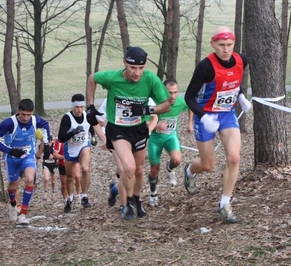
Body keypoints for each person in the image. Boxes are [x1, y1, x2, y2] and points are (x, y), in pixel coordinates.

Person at [86, 46, 172, 220]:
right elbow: (92, 78)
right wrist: (90, 106)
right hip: (117, 130)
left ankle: (136, 200)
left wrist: (148, 109)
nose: (137, 73)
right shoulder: (112, 77)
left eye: (141, 68)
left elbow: (167, 104)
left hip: (138, 129)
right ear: (124, 63)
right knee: (129, 167)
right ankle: (128, 201)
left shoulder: (150, 79)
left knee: (139, 171)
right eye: (133, 68)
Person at [184, 26, 253, 223]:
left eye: (229, 45)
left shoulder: (241, 60)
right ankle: (189, 171)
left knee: (233, 158)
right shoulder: (205, 66)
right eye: (221, 45)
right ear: (213, 44)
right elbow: (189, 97)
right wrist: (203, 117)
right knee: (208, 165)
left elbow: (232, 82)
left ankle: (224, 204)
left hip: (227, 114)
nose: (225, 49)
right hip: (205, 115)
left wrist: (240, 97)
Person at [0, 99, 50, 225]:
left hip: (28, 156)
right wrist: (10, 151)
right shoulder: (9, 123)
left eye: (29, 114)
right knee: (13, 186)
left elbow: (45, 125)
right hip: (12, 158)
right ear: (18, 111)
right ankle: (13, 204)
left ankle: (23, 214)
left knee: (29, 179)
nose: (26, 118)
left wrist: (46, 140)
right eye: (23, 114)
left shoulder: (35, 120)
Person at [147, 79, 193, 207]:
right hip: (155, 139)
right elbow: (143, 121)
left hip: (170, 137)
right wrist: (156, 127)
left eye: (175, 92)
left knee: (177, 160)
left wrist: (190, 123)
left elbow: (190, 106)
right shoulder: (155, 103)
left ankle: (170, 168)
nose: (173, 96)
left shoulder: (179, 102)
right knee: (154, 169)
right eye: (169, 93)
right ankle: (153, 193)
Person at [57, 93, 106, 213]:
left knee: (85, 169)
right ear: (72, 107)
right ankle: (69, 199)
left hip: (84, 145)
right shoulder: (67, 118)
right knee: (70, 177)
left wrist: (93, 136)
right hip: (71, 148)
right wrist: (73, 132)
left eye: (81, 107)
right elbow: (61, 138)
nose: (79, 110)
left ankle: (84, 196)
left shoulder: (86, 115)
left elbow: (90, 126)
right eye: (77, 107)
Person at [42, 135, 57, 199]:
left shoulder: (55, 146)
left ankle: (53, 193)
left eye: (50, 141)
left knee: (53, 181)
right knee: (46, 178)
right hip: (46, 164)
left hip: (53, 164)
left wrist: (54, 156)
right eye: (48, 141)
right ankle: (45, 193)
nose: (49, 142)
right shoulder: (44, 146)